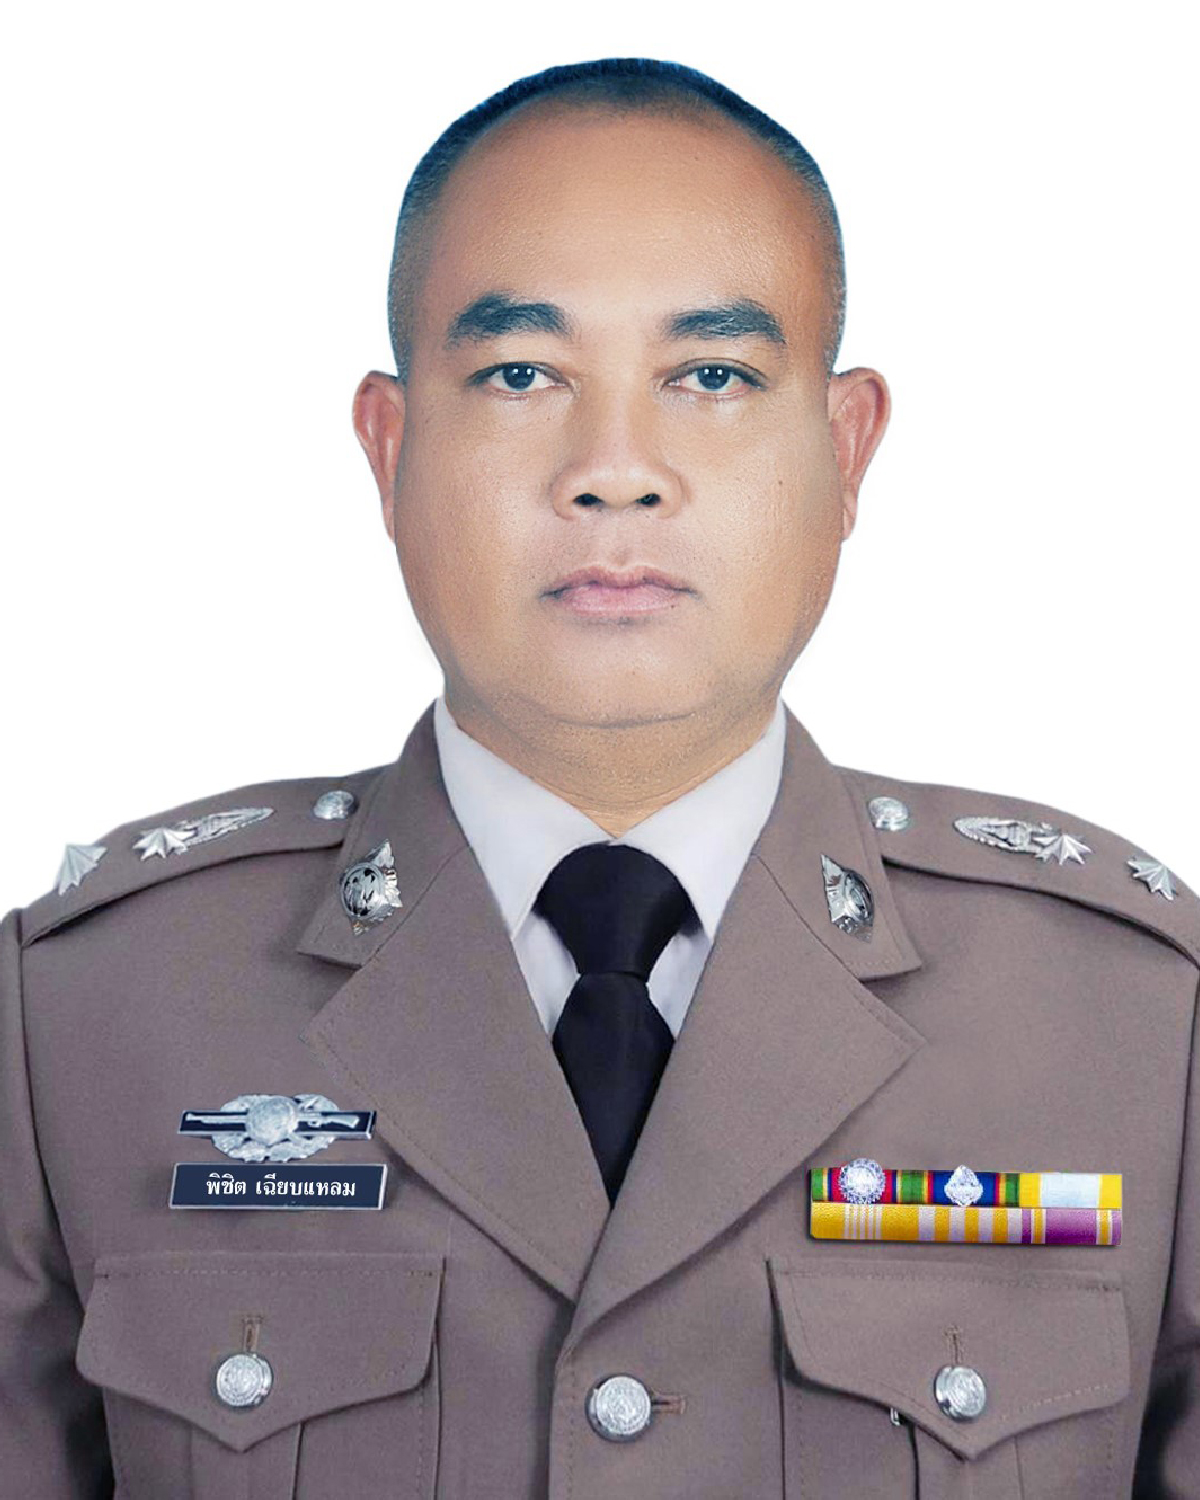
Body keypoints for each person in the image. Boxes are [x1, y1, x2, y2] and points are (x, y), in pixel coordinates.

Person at [1, 54, 1196, 1500]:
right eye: (521, 375)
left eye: (712, 377)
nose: (616, 469)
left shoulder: (1137, 1025)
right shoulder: (80, 1015)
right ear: (390, 448)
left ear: (845, 449)